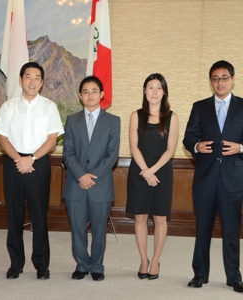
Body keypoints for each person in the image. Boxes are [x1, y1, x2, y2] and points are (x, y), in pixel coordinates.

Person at [0, 62, 64, 280]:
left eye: (37, 78)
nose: (32, 82)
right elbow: (2, 137)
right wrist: (19, 159)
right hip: (14, 164)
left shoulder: (49, 107)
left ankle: (42, 264)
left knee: (39, 216)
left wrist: (31, 158)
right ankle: (16, 264)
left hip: (39, 163)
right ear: (21, 79)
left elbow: (52, 139)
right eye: (28, 77)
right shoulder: (8, 107)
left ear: (42, 83)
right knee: (13, 215)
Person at [183, 60, 243, 293]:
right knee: (203, 229)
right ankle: (200, 274)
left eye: (224, 77)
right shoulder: (200, 107)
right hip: (205, 177)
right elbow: (188, 137)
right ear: (211, 82)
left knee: (231, 230)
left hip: (233, 178)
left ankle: (234, 277)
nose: (220, 82)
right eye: (215, 78)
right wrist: (197, 146)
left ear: (233, 79)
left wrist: (241, 148)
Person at [62, 76, 120, 281]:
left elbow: (112, 154)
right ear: (80, 96)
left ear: (102, 94)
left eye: (94, 91)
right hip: (76, 185)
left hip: (100, 184)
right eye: (85, 92)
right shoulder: (71, 120)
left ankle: (96, 266)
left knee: (98, 229)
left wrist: (92, 177)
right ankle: (81, 264)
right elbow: (67, 153)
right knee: (77, 228)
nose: (90, 95)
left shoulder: (113, 121)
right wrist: (81, 175)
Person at [126, 73, 179, 280]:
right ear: (145, 91)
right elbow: (134, 147)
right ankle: (143, 259)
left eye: (159, 87)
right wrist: (146, 172)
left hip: (162, 172)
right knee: (139, 217)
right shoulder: (135, 115)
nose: (154, 91)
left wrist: (152, 171)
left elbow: (170, 150)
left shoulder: (172, 117)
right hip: (139, 171)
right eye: (150, 87)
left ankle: (155, 260)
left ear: (164, 91)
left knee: (159, 218)